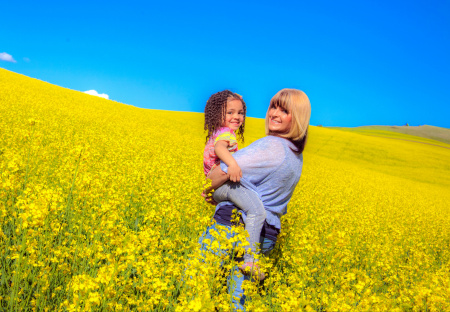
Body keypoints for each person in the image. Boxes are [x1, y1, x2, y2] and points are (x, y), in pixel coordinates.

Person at [200, 88, 311, 311]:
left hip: (233, 226)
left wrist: (208, 190)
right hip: (267, 235)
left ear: (298, 117)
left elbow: (220, 172)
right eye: (273, 107)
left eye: (285, 110)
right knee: (237, 303)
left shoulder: (272, 145)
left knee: (197, 287)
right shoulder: (296, 156)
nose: (274, 114)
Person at [203, 90, 267, 278]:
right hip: (223, 185)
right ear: (218, 113)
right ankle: (251, 260)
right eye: (230, 112)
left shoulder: (216, 132)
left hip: (217, 189)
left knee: (245, 207)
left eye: (240, 113)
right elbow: (220, 148)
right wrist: (232, 163)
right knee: (257, 210)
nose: (237, 117)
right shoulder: (226, 135)